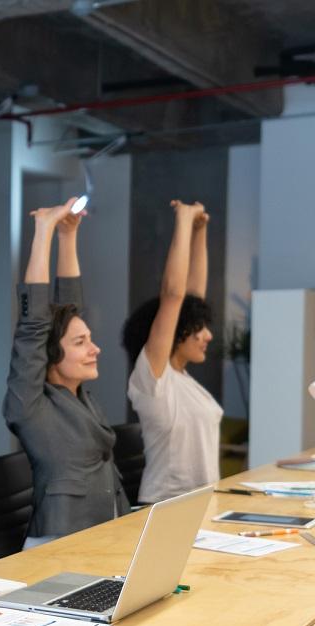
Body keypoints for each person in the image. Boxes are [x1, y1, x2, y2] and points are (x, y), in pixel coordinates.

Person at [3, 198, 129, 547]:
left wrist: (68, 237)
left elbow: (70, 309)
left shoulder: (78, 397)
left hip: (103, 537)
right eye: (81, 343)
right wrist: (44, 230)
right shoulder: (30, 404)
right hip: (58, 548)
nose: (95, 348)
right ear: (51, 354)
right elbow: (33, 326)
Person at [122, 200, 222, 504]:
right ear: (175, 332)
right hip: (163, 509)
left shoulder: (181, 379)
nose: (208, 335)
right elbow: (175, 296)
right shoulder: (153, 380)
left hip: (199, 506)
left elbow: (191, 298)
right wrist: (182, 219)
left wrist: (200, 230)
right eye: (198, 328)